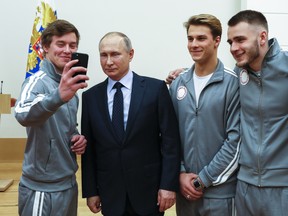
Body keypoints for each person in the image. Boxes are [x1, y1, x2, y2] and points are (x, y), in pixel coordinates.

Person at [81, 31, 181, 216]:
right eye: (103, 55)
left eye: (115, 54)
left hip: (149, 191)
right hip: (110, 193)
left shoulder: (155, 90)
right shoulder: (90, 97)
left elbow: (171, 142)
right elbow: (90, 150)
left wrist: (168, 185)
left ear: (130, 54)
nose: (108, 61)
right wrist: (91, 191)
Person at [168, 14, 241, 215]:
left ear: (217, 41)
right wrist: (181, 173)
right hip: (185, 191)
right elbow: (169, 137)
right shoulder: (177, 84)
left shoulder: (232, 83)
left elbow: (235, 141)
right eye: (190, 39)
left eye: (201, 38)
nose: (194, 44)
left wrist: (204, 179)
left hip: (220, 194)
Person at [14, 19, 89, 216]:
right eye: (60, 44)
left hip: (68, 183)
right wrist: (58, 96)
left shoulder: (72, 89)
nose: (67, 50)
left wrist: (77, 138)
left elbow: (67, 128)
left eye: (72, 45)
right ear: (46, 47)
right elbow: (21, 113)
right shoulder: (36, 82)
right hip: (40, 188)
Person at [227, 10, 288, 216]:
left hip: (282, 189)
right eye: (230, 42)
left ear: (262, 37)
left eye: (240, 40)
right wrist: (184, 75)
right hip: (245, 187)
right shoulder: (236, 74)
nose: (234, 48)